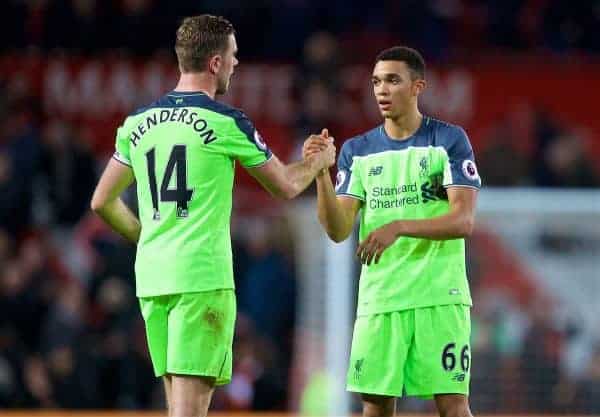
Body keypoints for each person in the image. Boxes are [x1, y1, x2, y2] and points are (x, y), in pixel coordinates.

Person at [90, 14, 335, 417]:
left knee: (178, 404)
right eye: (234, 55)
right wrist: (318, 161)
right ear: (215, 63)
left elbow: (102, 201)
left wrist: (147, 238)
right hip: (201, 278)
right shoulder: (225, 122)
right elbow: (287, 186)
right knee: (190, 409)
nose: (237, 63)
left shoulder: (137, 124)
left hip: (153, 278)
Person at [305, 46, 481, 417]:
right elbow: (338, 230)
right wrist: (320, 173)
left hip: (439, 296)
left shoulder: (448, 141)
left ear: (418, 86)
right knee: (376, 407)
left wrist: (399, 227)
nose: (382, 90)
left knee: (452, 404)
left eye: (392, 80)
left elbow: (463, 221)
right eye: (376, 82)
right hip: (380, 299)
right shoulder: (358, 151)